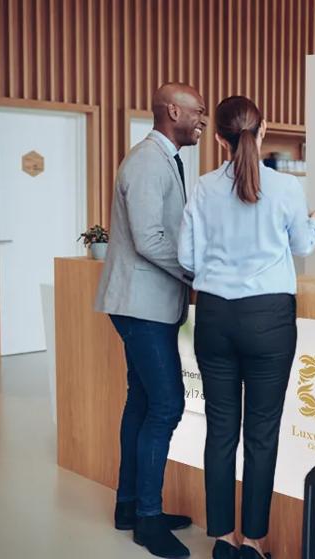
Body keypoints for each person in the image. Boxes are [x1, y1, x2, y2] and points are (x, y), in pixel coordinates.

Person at [178, 96, 315, 559]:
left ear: (219, 139)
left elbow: (186, 258)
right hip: (269, 320)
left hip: (216, 318)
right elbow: (302, 244)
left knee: (221, 430)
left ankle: (223, 538)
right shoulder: (286, 188)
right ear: (261, 133)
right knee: (262, 433)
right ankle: (255, 542)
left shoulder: (202, 188)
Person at [95, 83, 207, 559]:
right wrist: (194, 271)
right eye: (197, 111)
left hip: (149, 305)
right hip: (141, 306)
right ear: (172, 111)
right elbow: (148, 238)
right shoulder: (146, 161)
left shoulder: (164, 160)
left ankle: (129, 506)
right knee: (166, 406)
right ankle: (147, 518)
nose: (201, 118)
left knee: (141, 403)